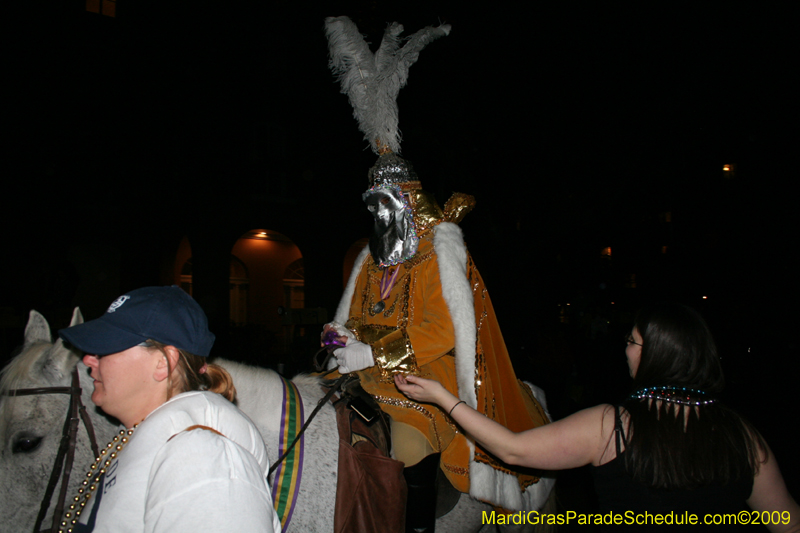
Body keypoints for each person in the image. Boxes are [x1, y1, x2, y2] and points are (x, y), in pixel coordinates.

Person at [322, 16, 552, 530]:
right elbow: (358, 317)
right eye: (371, 206)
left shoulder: (434, 253)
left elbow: (440, 330)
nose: (376, 216)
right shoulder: (370, 259)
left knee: (405, 445)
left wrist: (374, 350)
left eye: (384, 205)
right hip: (362, 374)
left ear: (405, 203)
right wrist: (341, 337)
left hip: (423, 377)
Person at [396, 302, 800, 532]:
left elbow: (513, 450)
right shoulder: (742, 434)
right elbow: (786, 520)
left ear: (655, 354)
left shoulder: (614, 426)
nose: (625, 350)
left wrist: (442, 397)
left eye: (632, 341)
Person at [58, 286, 281, 533]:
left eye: (106, 346)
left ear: (163, 363)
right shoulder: (146, 440)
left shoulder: (204, 460)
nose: (88, 359)